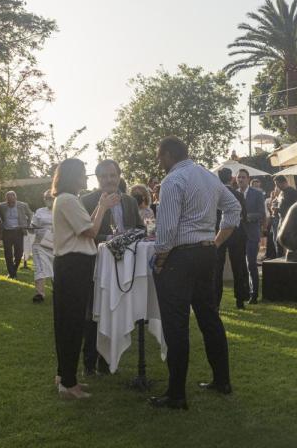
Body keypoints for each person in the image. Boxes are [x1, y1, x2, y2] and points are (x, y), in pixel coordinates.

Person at [149, 136, 240, 410]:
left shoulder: (173, 181)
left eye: (159, 156)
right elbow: (233, 208)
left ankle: (176, 394)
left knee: (176, 325)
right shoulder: (209, 177)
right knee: (209, 317)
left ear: (167, 154)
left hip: (181, 256)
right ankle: (222, 380)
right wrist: (216, 241)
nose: (158, 162)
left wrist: (161, 260)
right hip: (205, 253)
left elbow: (165, 230)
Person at [50, 158, 112, 400]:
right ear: (72, 176)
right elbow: (91, 232)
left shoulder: (67, 200)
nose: (85, 178)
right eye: (82, 173)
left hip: (73, 265)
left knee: (68, 322)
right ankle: (68, 383)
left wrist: (100, 205)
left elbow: (87, 225)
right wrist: (104, 208)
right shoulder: (67, 199)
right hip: (74, 265)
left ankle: (64, 375)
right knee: (72, 324)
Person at [80, 159, 144, 377]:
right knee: (93, 312)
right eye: (104, 176)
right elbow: (85, 233)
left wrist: (130, 237)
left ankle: (107, 361)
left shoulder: (129, 202)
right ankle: (89, 362)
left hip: (123, 266)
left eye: (113, 175)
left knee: (115, 310)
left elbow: (139, 228)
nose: (109, 180)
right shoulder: (87, 200)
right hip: (95, 265)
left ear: (119, 176)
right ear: (97, 179)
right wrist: (111, 238)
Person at [217, 168, 249, 309]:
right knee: (238, 266)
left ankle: (216, 299)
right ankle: (240, 300)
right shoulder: (238, 195)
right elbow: (244, 216)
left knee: (217, 268)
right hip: (236, 232)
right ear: (231, 178)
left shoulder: (215, 194)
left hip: (219, 232)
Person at [237, 169, 266, 303]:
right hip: (237, 235)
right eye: (239, 177)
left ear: (248, 179)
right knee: (240, 265)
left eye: (243, 177)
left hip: (251, 234)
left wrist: (248, 217)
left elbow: (261, 213)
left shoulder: (257, 194)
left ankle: (254, 294)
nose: (241, 180)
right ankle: (244, 293)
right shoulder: (234, 194)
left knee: (251, 264)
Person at [0, 190, 33, 279]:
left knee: (19, 254)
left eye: (12, 201)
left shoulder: (23, 205)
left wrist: (27, 225)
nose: (10, 203)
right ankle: (12, 273)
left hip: (18, 231)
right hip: (7, 232)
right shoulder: (2, 206)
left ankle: (13, 270)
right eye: (8, 201)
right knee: (7, 253)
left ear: (15, 198)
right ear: (6, 200)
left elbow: (30, 214)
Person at [31, 189, 55, 303]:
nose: (48, 200)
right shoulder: (39, 211)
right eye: (46, 198)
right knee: (39, 267)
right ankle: (40, 293)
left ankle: (57, 289)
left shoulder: (60, 211)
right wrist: (29, 228)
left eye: (50, 198)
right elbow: (32, 226)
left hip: (55, 244)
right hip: (40, 244)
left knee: (56, 268)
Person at [264, 186, 280, 261]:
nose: (275, 190)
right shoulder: (273, 199)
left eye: (277, 189)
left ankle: (278, 256)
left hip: (277, 221)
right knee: (274, 239)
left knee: (276, 239)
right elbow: (270, 211)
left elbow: (274, 211)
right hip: (273, 221)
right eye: (275, 188)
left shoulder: (280, 199)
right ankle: (275, 256)